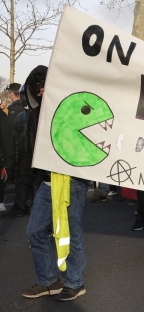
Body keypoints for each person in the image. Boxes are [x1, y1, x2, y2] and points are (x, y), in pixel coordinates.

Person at [20, 66, 88, 301]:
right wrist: (25, 188)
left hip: (72, 180)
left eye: (44, 84)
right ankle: (49, 281)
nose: (41, 90)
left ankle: (74, 283)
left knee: (71, 233)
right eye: (36, 86)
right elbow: (30, 152)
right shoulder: (35, 114)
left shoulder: (71, 106)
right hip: (47, 181)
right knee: (35, 231)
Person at [1, 83, 25, 215]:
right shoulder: (26, 108)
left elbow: (9, 134)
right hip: (25, 149)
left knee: (18, 179)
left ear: (11, 93)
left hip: (16, 149)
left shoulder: (15, 110)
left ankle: (20, 206)